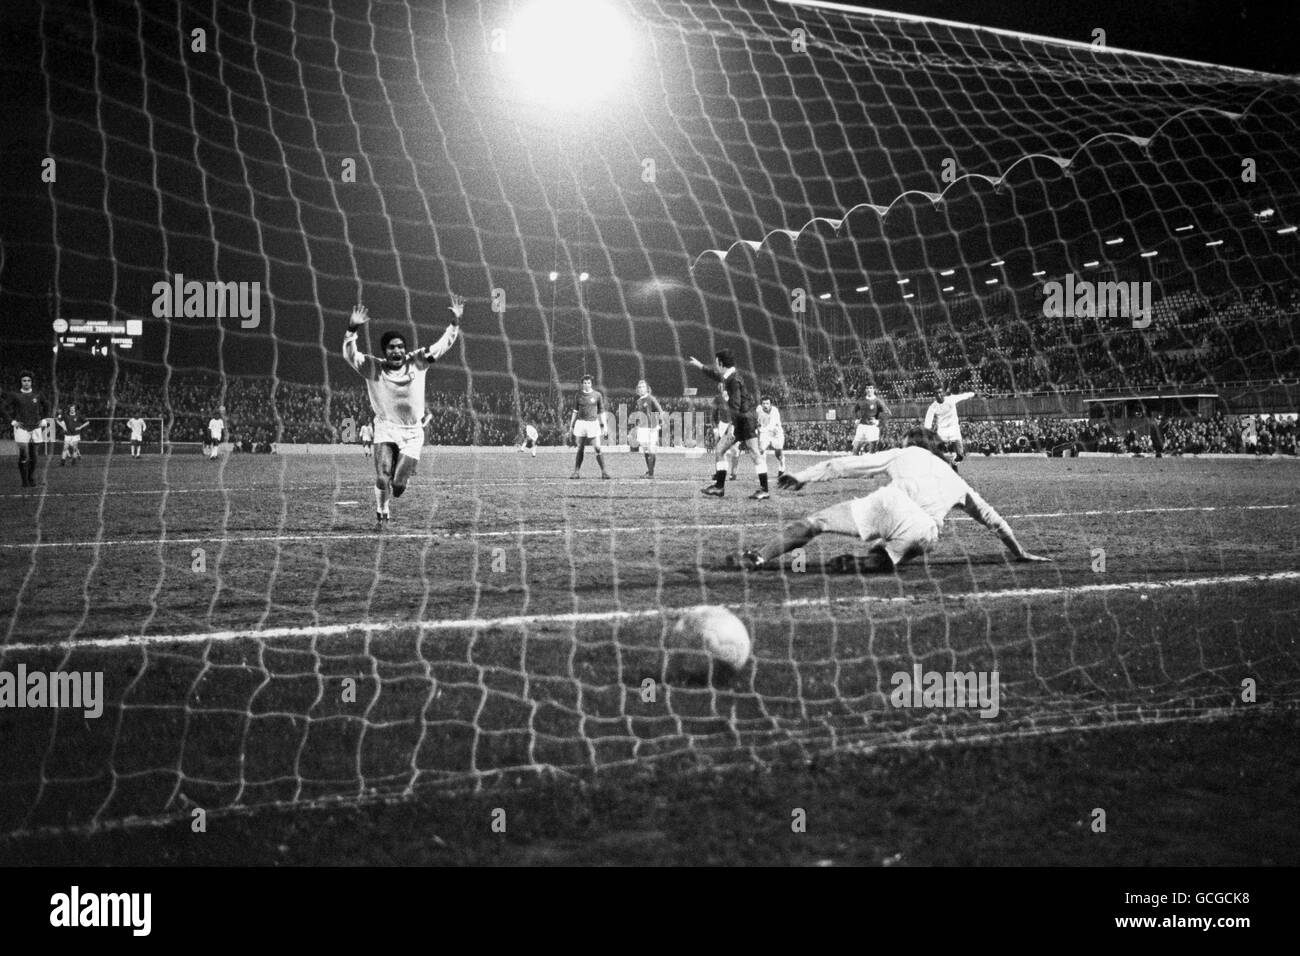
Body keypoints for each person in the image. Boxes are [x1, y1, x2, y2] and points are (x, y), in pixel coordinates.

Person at [730, 427, 1048, 572]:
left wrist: (803, 476)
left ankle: (758, 558)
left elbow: (844, 465)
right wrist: (1020, 552)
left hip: (892, 507)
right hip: (926, 534)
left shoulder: (905, 452)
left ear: (913, 443)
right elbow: (993, 520)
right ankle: (875, 561)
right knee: (899, 546)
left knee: (815, 523)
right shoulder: (957, 479)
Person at [344, 294, 465, 528]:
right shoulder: (373, 367)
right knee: (382, 476)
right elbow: (350, 355)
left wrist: (454, 323)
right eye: (392, 348)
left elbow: (442, 346)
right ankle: (382, 508)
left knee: (397, 486)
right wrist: (351, 330)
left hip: (412, 432)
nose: (397, 351)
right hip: (386, 429)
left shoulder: (417, 360)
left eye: (400, 347)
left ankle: (400, 478)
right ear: (385, 351)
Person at [687, 348, 768, 500]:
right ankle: (724, 487)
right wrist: (700, 366)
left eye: (716, 362)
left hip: (743, 420)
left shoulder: (733, 379)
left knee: (723, 450)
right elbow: (715, 375)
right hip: (745, 419)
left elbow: (736, 403)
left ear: (721, 362)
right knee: (744, 451)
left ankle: (721, 487)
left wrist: (732, 424)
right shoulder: (729, 376)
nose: (715, 364)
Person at [7, 371, 47, 487]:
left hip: (36, 427)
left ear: (31, 382)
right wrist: (12, 421)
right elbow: (2, 407)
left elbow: (47, 405)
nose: (26, 383)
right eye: (24, 381)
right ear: (21, 382)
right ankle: (24, 480)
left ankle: (31, 477)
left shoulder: (38, 394)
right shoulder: (15, 395)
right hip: (22, 428)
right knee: (24, 454)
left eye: (28, 381)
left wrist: (44, 419)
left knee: (34, 454)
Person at [568, 375, 611, 479]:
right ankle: (576, 472)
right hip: (581, 423)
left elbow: (601, 412)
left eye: (588, 383)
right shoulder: (578, 395)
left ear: (591, 384)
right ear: (582, 384)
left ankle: (604, 472)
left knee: (597, 447)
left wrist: (604, 426)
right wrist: (571, 425)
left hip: (593, 423)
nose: (586, 385)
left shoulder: (597, 395)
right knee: (580, 448)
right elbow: (575, 411)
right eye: (584, 383)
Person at [923, 387, 975, 469]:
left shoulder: (951, 399)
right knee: (937, 453)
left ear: (943, 393)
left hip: (954, 429)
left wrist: (974, 394)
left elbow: (964, 396)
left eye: (940, 392)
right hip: (942, 431)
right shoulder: (933, 407)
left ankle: (954, 463)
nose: (939, 395)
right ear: (934, 395)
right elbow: (927, 423)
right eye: (936, 393)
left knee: (960, 456)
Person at [633, 380, 664, 477]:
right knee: (646, 450)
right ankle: (650, 471)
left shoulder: (651, 398)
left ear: (647, 388)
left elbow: (659, 410)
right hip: (642, 428)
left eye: (643, 386)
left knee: (651, 450)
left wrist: (658, 422)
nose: (641, 388)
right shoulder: (638, 401)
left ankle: (651, 473)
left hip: (651, 427)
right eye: (639, 387)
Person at [851, 385, 890, 454]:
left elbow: (887, 413)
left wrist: (878, 422)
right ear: (865, 390)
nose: (869, 390)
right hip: (862, 426)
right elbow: (854, 411)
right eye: (867, 388)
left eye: (871, 388)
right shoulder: (861, 400)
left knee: (872, 450)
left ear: (874, 389)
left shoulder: (878, 401)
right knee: (855, 448)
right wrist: (856, 420)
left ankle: (872, 463)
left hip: (872, 428)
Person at [756, 396, 787, 476]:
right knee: (761, 451)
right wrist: (757, 428)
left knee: (778, 453)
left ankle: (782, 463)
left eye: (767, 403)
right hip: (765, 433)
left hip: (776, 433)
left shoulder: (775, 411)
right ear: (761, 404)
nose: (765, 405)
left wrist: (761, 429)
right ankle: (763, 471)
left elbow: (771, 426)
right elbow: (756, 421)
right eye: (763, 403)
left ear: (771, 404)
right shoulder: (758, 410)